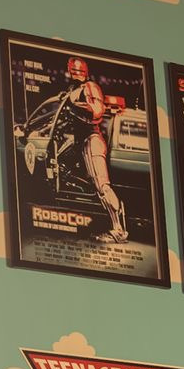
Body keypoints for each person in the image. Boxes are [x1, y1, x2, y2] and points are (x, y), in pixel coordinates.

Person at [47, 56, 128, 242]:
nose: (76, 72)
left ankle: (118, 231)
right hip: (80, 141)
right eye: (73, 69)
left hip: (91, 140)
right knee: (62, 165)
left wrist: (73, 104)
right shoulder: (73, 90)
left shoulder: (89, 87)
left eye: (78, 69)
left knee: (102, 186)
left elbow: (97, 110)